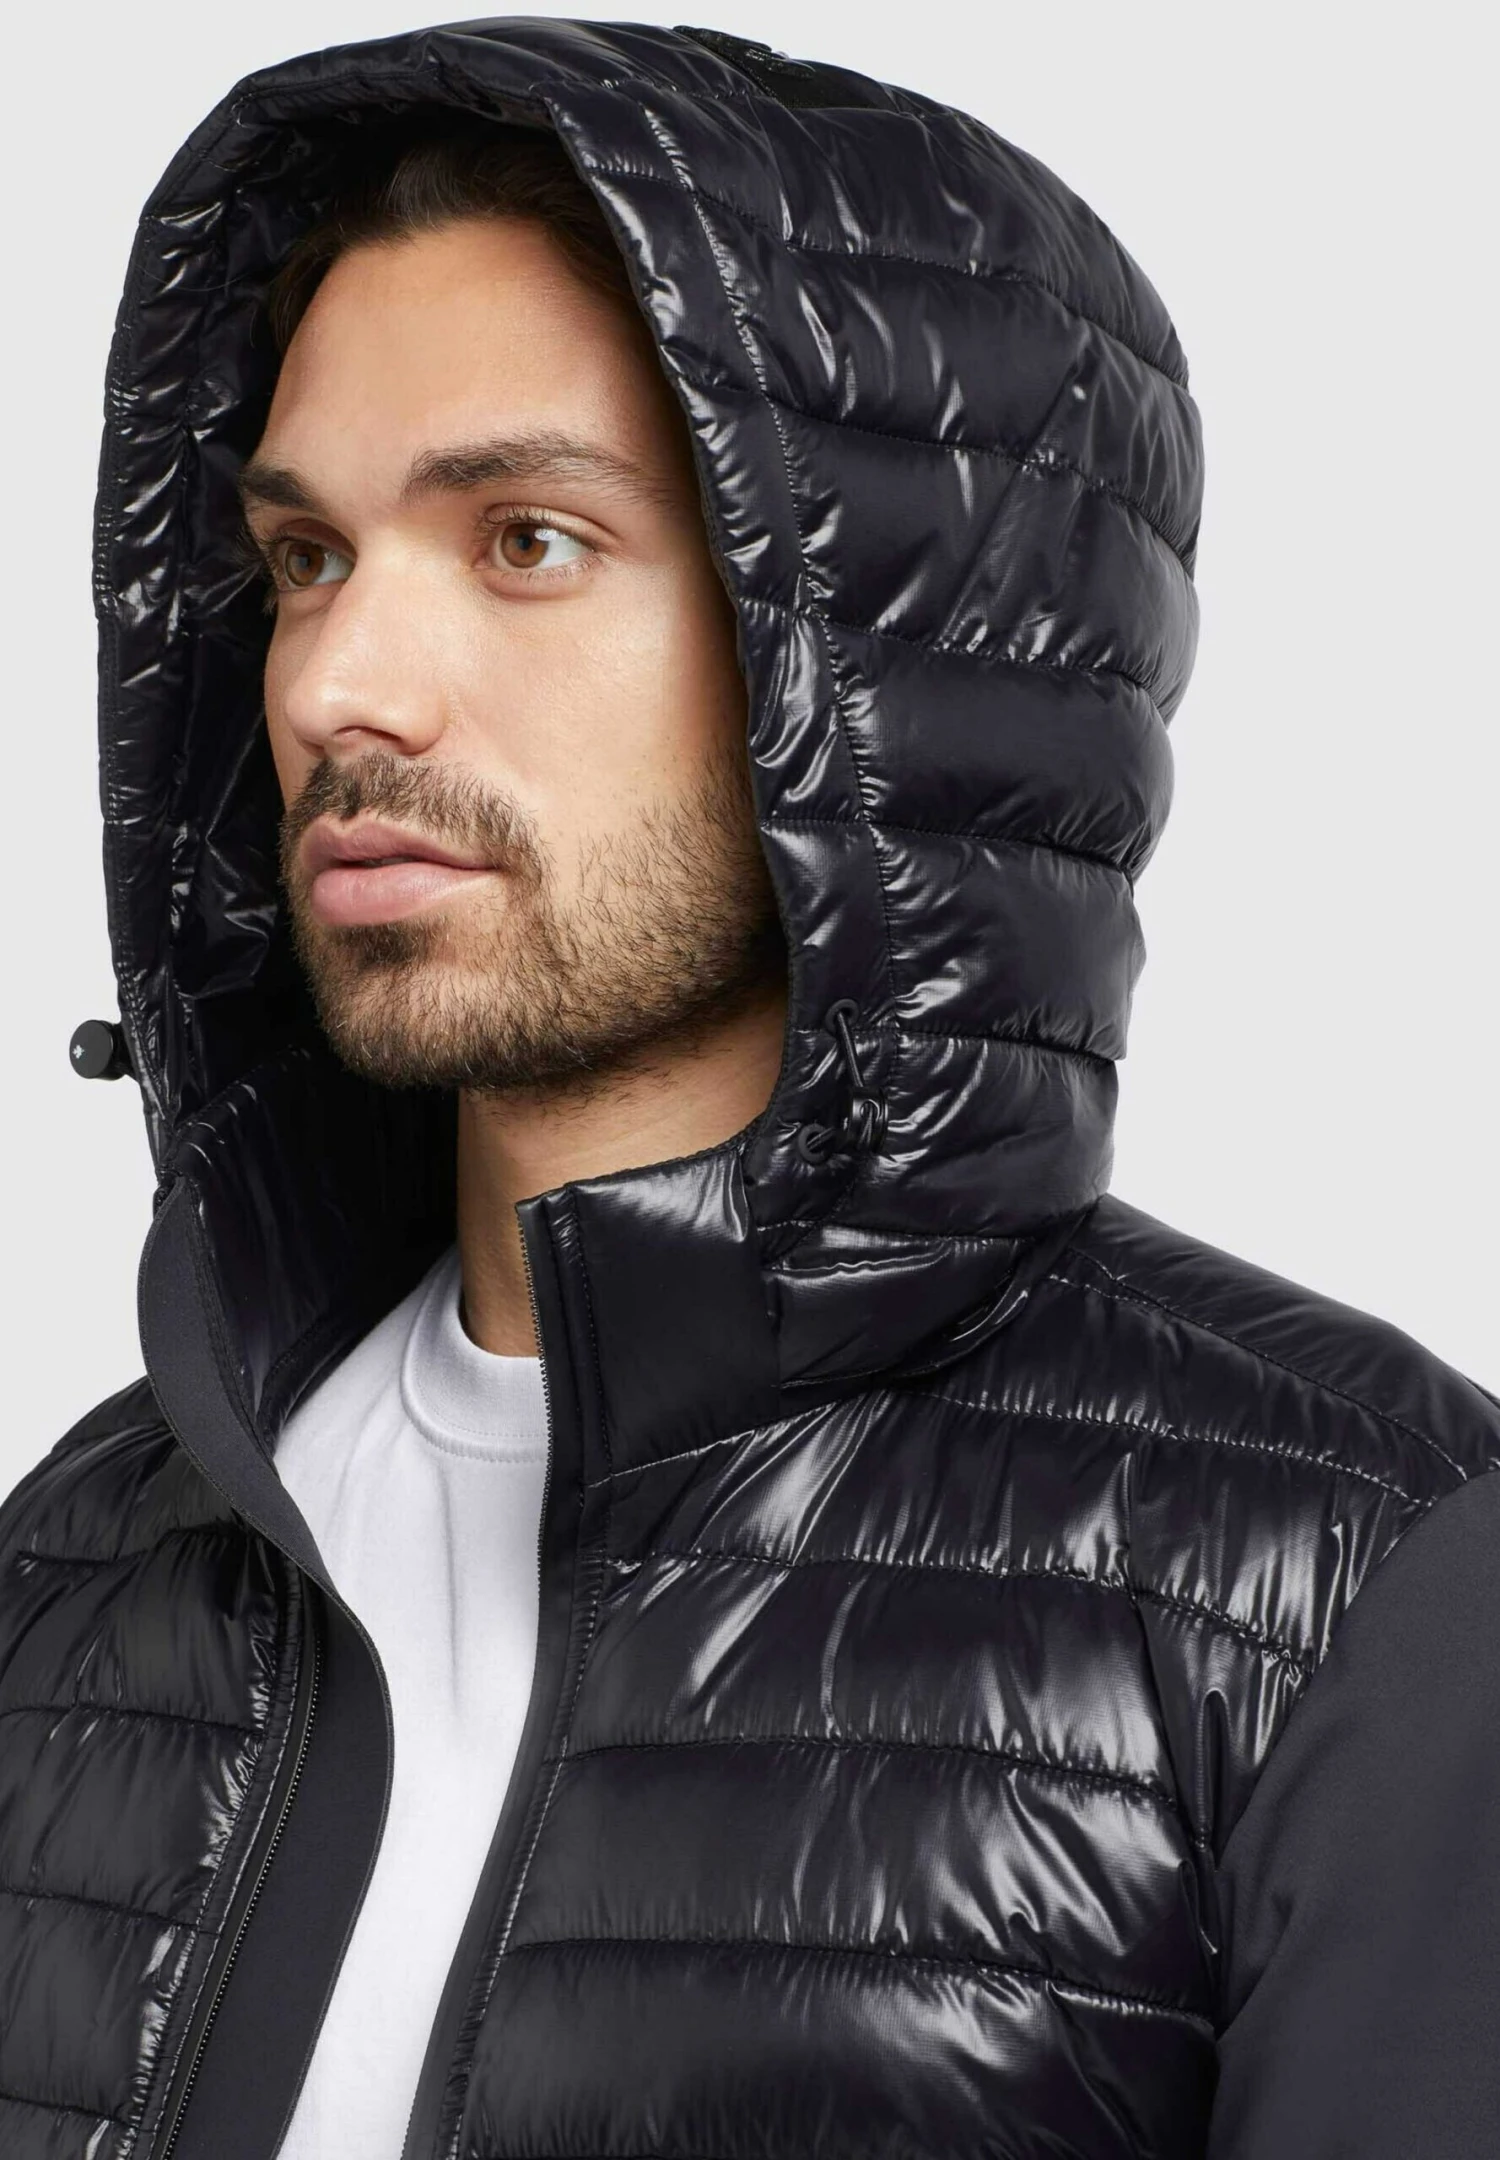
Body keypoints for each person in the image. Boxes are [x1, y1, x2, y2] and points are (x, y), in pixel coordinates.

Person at [4, 19, 1497, 2160]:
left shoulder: (1360, 1588)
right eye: (306, 558)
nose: (338, 684)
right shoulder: (76, 1561)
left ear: (883, 659)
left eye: (527, 539)